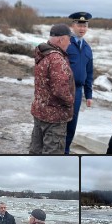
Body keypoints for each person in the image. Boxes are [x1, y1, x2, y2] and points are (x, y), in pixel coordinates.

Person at [29, 23, 76, 154]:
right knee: (53, 154)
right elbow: (59, 90)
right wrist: (70, 101)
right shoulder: (56, 59)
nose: (70, 43)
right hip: (54, 117)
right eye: (69, 39)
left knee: (36, 150)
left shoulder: (43, 54)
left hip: (40, 111)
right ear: (61, 39)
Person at [65, 11, 94, 154]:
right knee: (59, 122)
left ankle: (65, 151)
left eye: (85, 25)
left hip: (78, 90)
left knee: (72, 124)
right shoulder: (65, 43)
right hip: (64, 89)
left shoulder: (88, 48)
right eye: (79, 25)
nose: (82, 29)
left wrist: (89, 95)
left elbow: (89, 73)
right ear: (72, 25)